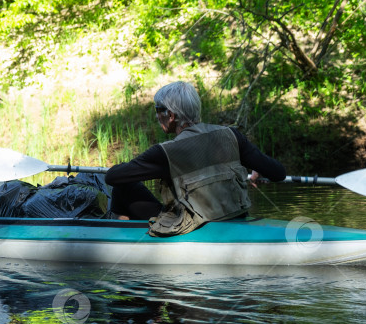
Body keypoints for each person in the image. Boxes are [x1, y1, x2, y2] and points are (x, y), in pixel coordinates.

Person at [104, 81, 286, 236]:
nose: (156, 115)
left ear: (171, 115)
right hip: (235, 217)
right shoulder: (232, 135)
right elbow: (278, 173)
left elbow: (112, 177)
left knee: (124, 186)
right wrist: (257, 165)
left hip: (191, 225)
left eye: (158, 110)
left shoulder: (164, 152)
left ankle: (121, 235)